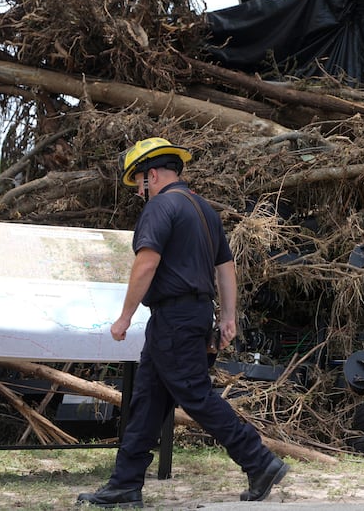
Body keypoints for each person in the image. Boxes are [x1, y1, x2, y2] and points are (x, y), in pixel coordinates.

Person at [77, 138, 287, 509]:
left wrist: (124, 316)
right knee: (147, 400)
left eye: (139, 182)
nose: (140, 191)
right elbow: (226, 268)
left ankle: (259, 459)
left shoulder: (161, 206)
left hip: (174, 317)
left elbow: (146, 263)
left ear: (152, 175)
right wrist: (227, 317)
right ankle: (125, 484)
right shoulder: (204, 210)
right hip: (189, 315)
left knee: (194, 394)